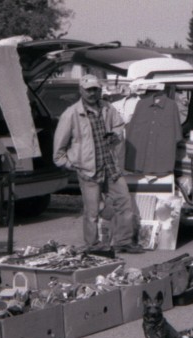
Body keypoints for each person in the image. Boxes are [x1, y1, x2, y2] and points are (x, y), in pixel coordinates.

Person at [53, 74, 143, 253]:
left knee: (124, 204)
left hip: (111, 166)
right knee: (92, 212)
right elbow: (58, 154)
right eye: (88, 90)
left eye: (95, 89)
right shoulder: (71, 114)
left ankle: (123, 242)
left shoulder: (108, 108)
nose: (92, 93)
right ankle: (92, 245)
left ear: (100, 90)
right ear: (81, 90)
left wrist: (115, 135)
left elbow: (119, 126)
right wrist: (75, 165)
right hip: (88, 170)